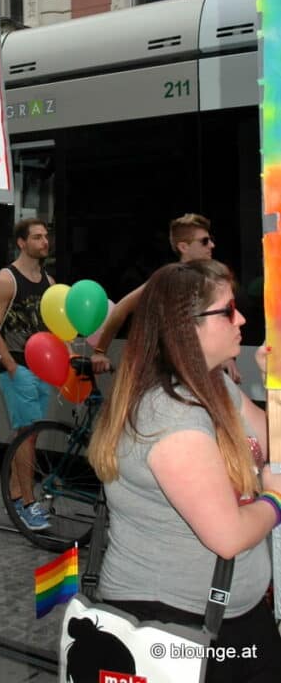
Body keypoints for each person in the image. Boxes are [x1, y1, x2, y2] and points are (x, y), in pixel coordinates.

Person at [88, 260, 281, 683]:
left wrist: (275, 386)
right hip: (178, 627)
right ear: (187, 326)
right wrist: (275, 498)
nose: (242, 318)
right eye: (228, 310)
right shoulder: (169, 416)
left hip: (233, 618)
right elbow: (227, 536)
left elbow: (274, 446)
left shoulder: (216, 385)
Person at [90, 213, 237, 376]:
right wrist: (99, 351)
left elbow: (220, 320)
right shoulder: (166, 279)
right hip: (170, 374)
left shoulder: (212, 279)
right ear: (183, 247)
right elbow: (121, 308)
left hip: (203, 370)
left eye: (210, 239)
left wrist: (227, 356)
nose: (211, 245)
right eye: (204, 241)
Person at [0, 217, 53, 531]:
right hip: (19, 369)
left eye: (45, 236)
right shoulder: (6, 279)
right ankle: (27, 503)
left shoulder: (49, 282)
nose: (44, 242)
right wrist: (12, 367)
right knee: (27, 436)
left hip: (40, 368)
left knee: (29, 436)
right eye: (37, 237)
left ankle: (14, 494)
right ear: (22, 243)